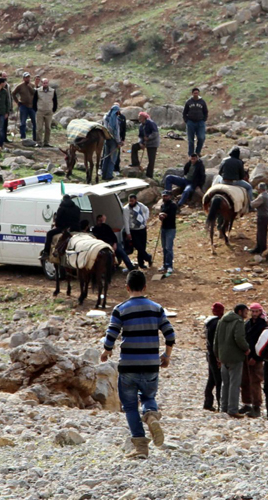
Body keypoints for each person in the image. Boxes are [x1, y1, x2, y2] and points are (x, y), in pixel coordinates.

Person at [100, 270, 176, 459]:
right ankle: (151, 415)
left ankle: (141, 447)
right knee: (149, 396)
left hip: (129, 365)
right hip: (151, 364)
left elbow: (112, 334)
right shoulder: (157, 308)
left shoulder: (121, 309)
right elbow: (170, 334)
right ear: (145, 287)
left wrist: (107, 350)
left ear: (127, 287)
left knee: (130, 406)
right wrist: (166, 356)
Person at [214, 304, 250, 418]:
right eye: (245, 312)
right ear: (240, 312)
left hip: (223, 356)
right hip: (235, 357)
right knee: (234, 384)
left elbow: (216, 339)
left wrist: (217, 355)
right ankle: (233, 409)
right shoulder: (238, 321)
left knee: (225, 384)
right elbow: (239, 338)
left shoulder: (222, 320)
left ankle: (223, 408)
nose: (246, 314)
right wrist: (246, 348)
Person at [240, 303, 267, 419]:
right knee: (244, 381)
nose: (255, 314)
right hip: (245, 357)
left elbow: (263, 344)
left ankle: (256, 406)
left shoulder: (263, 325)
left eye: (257, 312)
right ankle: (247, 404)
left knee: (255, 381)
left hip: (256, 358)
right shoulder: (247, 324)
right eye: (253, 311)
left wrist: (256, 358)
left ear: (260, 312)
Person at [41, 194, 81, 260]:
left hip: (64, 228)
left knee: (49, 233)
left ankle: (46, 253)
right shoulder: (77, 208)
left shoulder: (62, 208)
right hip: (76, 228)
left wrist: (57, 225)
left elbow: (58, 220)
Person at [204, 302, 225, 411]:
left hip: (210, 354)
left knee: (212, 378)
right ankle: (220, 404)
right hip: (215, 355)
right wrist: (219, 357)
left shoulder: (209, 322)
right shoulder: (218, 323)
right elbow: (218, 342)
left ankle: (208, 402)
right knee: (218, 380)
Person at [123, 194, 152, 269]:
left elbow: (146, 210)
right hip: (133, 230)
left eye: (132, 201)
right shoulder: (126, 209)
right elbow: (126, 221)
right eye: (130, 201)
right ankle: (148, 257)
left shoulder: (140, 205)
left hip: (142, 229)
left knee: (142, 246)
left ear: (135, 200)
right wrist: (128, 232)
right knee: (138, 246)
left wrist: (145, 219)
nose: (131, 202)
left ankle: (141, 263)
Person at [131, 112, 160, 179]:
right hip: (145, 142)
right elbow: (140, 136)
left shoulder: (151, 123)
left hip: (153, 143)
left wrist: (148, 138)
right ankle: (135, 163)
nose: (138, 118)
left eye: (140, 117)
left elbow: (155, 133)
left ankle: (149, 175)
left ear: (144, 117)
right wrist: (140, 143)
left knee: (151, 159)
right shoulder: (141, 125)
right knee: (134, 147)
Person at [12, 72, 37, 142]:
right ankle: (23, 138)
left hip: (31, 106)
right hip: (23, 106)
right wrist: (17, 102)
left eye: (28, 77)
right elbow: (13, 93)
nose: (27, 79)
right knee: (23, 122)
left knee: (34, 122)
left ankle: (35, 138)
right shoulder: (20, 86)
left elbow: (35, 94)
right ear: (23, 78)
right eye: (26, 77)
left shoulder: (32, 85)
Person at [183, 87, 208, 157]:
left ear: (198, 93)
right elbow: (185, 112)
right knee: (190, 140)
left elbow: (205, 111)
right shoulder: (189, 102)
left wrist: (204, 119)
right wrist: (186, 120)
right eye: (194, 93)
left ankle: (198, 151)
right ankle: (191, 154)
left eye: (197, 93)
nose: (196, 94)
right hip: (190, 122)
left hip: (200, 122)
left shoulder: (202, 102)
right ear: (192, 94)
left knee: (201, 138)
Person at [33, 78, 58, 147]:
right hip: (40, 111)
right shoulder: (38, 91)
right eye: (44, 83)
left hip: (49, 112)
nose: (45, 84)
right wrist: (36, 109)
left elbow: (55, 101)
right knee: (39, 128)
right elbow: (34, 101)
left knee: (48, 128)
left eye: (46, 83)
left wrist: (53, 109)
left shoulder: (52, 91)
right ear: (42, 83)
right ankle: (39, 142)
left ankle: (46, 142)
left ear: (48, 83)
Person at [157, 190, 177, 276]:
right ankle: (165, 264)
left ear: (170, 196)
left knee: (169, 248)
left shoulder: (173, 205)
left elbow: (172, 215)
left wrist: (164, 215)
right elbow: (161, 216)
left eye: (166, 196)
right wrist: (160, 216)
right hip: (163, 228)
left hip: (171, 228)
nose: (165, 197)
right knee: (164, 247)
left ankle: (170, 266)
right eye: (163, 196)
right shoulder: (162, 205)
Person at [249, 183, 268, 254]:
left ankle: (260, 248)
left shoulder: (262, 196)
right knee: (263, 233)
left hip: (262, 216)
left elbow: (253, 204)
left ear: (260, 189)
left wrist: (249, 201)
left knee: (260, 233)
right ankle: (261, 247)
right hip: (266, 216)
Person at [101, 104, 123, 180]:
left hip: (106, 140)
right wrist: (119, 142)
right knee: (112, 158)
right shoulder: (115, 120)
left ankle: (103, 174)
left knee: (106, 157)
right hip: (113, 141)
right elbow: (116, 132)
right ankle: (109, 175)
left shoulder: (106, 118)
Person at [0, 71, 12, 144]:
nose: (5, 78)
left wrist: (10, 107)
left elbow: (10, 97)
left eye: (6, 76)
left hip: (7, 109)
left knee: (5, 124)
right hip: (0, 109)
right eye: (3, 76)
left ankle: (5, 138)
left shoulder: (8, 86)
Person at [113, 105, 127, 174]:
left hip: (119, 138)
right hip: (111, 138)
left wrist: (122, 139)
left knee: (117, 154)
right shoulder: (111, 117)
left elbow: (124, 129)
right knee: (107, 153)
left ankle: (116, 169)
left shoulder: (122, 117)